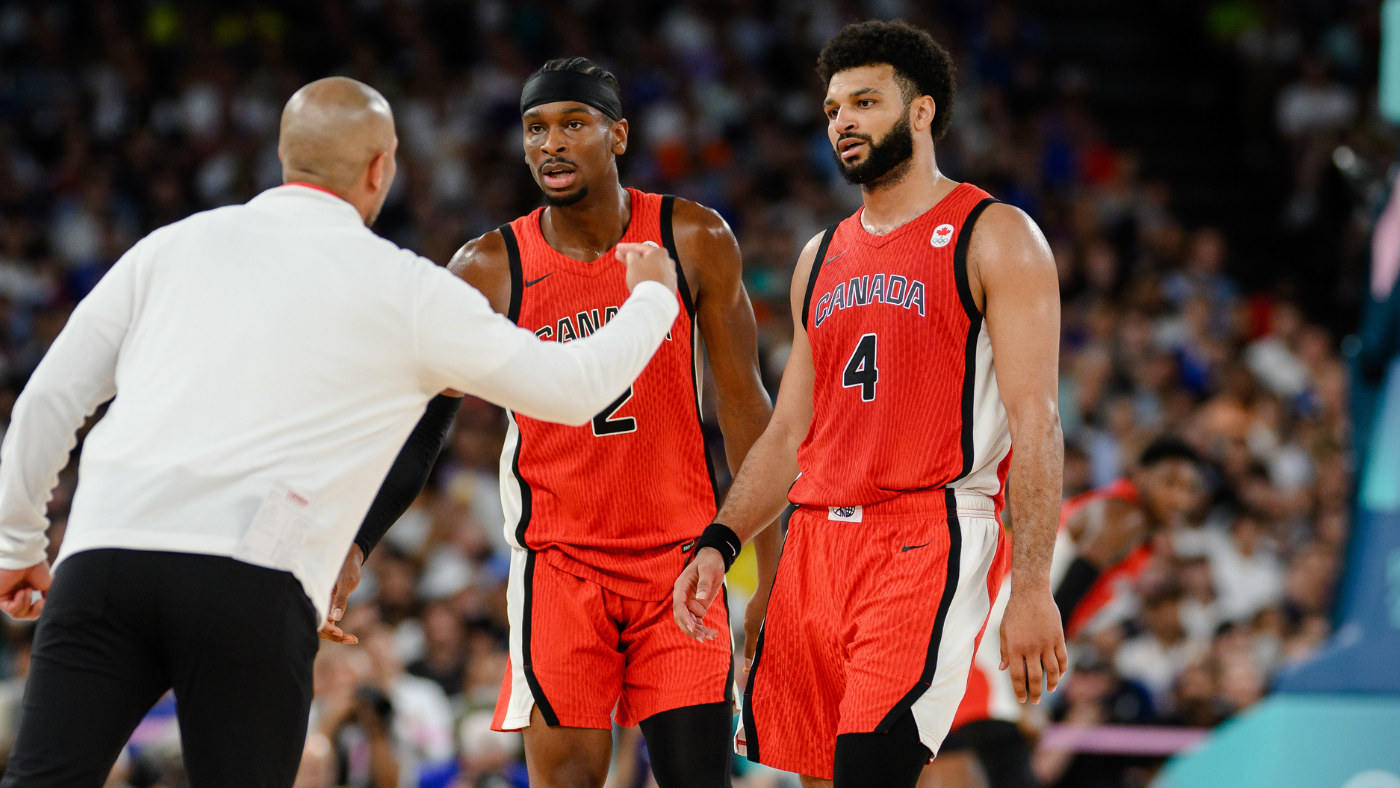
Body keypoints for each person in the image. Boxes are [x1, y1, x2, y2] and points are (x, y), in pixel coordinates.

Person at [0, 76, 682, 788]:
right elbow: (571, 390)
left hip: (106, 555)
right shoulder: (406, 288)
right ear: (380, 167)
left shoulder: (171, 247)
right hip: (251, 576)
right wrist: (652, 297)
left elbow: (46, 401)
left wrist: (17, 542)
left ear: (284, 154)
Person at [672, 20, 1067, 788]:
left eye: (865, 102)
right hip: (816, 546)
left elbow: (1037, 422)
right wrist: (722, 543)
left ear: (920, 113)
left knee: (870, 771)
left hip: (924, 537)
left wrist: (1033, 587)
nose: (843, 121)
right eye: (832, 109)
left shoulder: (996, 236)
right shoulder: (819, 256)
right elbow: (790, 431)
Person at [445, 58, 780, 788]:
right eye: (536, 129)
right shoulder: (489, 266)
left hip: (680, 564)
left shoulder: (693, 236)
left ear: (618, 134)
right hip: (560, 566)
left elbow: (747, 409)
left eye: (573, 124)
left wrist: (773, 574)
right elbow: (420, 418)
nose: (551, 144)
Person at [1052, 436, 1202, 638]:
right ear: (1140, 475)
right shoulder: (1128, 518)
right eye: (1170, 483)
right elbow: (1064, 597)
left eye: (1189, 489)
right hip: (1011, 622)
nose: (1180, 500)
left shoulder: (1131, 519)